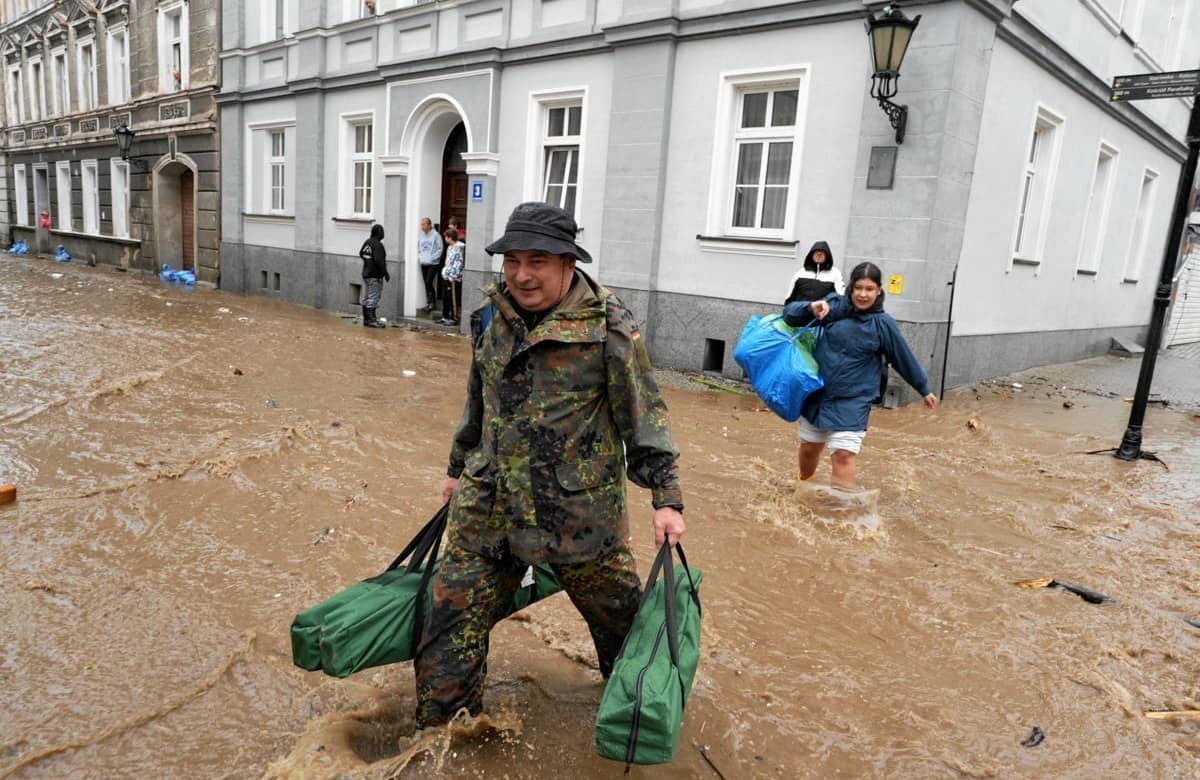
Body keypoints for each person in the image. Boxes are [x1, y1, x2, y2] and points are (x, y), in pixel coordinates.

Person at [415, 202, 686, 728]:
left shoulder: (608, 325)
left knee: (627, 643)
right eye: (512, 260)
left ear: (567, 263)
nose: (522, 274)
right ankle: (447, 738)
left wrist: (666, 498)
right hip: (489, 510)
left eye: (537, 260)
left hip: (580, 520)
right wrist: (456, 468)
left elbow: (644, 414)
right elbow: (478, 402)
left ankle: (635, 735)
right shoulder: (489, 317)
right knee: (447, 623)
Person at [782, 261, 937, 489]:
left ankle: (840, 509)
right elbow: (789, 316)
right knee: (809, 448)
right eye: (859, 288)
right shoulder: (832, 306)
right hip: (818, 394)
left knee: (843, 454)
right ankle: (803, 486)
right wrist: (811, 308)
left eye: (869, 289)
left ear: (879, 291)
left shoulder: (883, 324)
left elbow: (903, 357)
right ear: (851, 288)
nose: (863, 295)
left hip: (854, 399)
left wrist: (923, 388)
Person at [784, 240, 844, 305]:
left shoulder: (835, 273)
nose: (819, 254)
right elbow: (790, 296)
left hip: (823, 313)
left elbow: (840, 297)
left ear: (827, 255)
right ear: (811, 255)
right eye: (816, 252)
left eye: (822, 252)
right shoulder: (801, 272)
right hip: (801, 312)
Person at [357, 223, 389, 328]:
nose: (383, 233)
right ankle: (372, 320)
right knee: (373, 296)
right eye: (382, 231)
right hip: (375, 275)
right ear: (378, 233)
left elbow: (361, 253)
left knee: (367, 296)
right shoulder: (377, 245)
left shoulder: (368, 242)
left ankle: (367, 319)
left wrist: (368, 262)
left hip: (366, 274)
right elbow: (379, 260)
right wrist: (385, 273)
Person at [417, 217, 444, 313]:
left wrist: (433, 258)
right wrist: (420, 256)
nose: (422, 227)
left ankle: (433, 303)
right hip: (423, 262)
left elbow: (440, 249)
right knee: (426, 283)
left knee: (429, 281)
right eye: (421, 224)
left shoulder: (436, 235)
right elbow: (419, 246)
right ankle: (428, 303)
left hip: (433, 263)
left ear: (429, 225)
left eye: (424, 224)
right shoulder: (421, 235)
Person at [439, 228, 464, 326]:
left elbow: (458, 263)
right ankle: (445, 316)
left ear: (450, 237)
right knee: (445, 297)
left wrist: (452, 275)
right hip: (446, 276)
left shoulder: (459, 248)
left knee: (452, 298)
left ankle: (454, 318)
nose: (445, 239)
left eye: (446, 237)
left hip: (453, 277)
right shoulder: (450, 247)